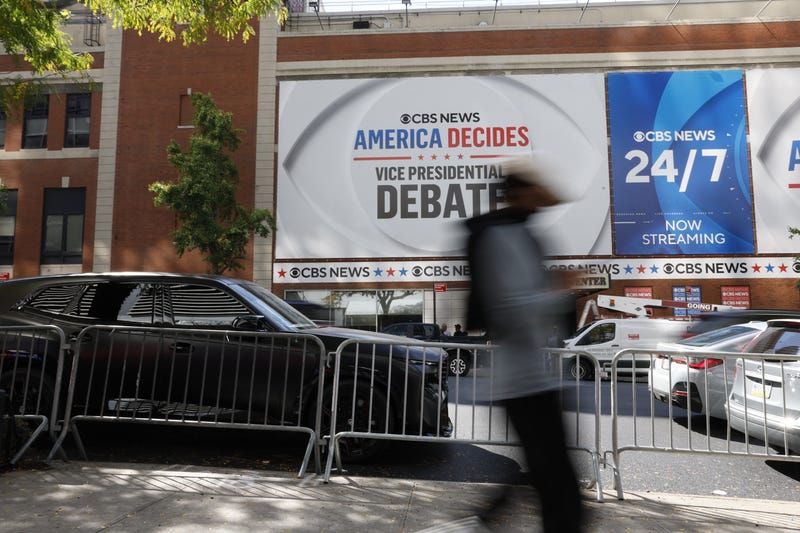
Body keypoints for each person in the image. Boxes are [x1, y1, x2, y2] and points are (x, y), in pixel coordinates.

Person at [465, 157, 583, 533]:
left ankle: (485, 520)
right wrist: (558, 291)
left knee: (552, 480)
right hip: (523, 383)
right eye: (533, 189)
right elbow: (509, 310)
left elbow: (553, 198)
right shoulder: (503, 237)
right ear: (519, 193)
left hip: (534, 380)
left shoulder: (520, 233)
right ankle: (480, 523)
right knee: (561, 492)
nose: (543, 198)